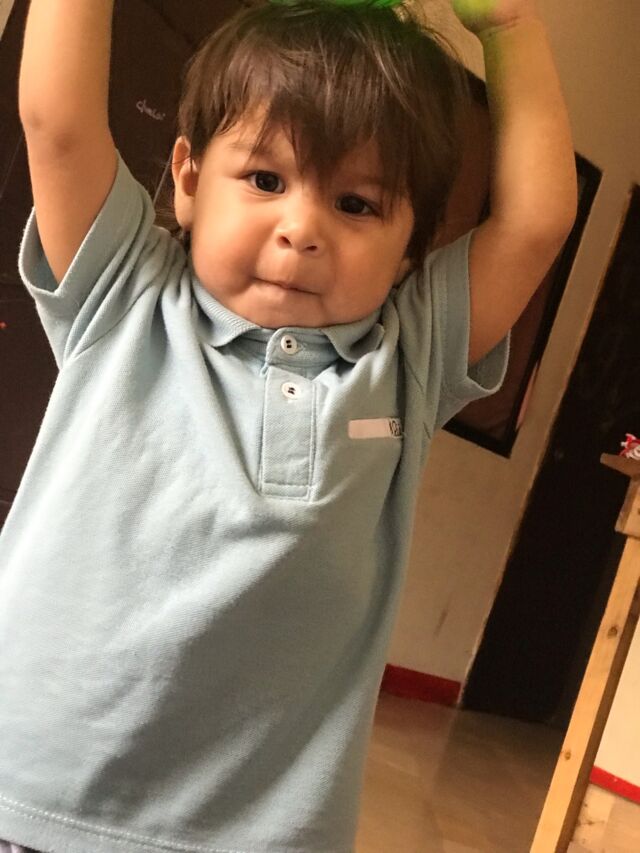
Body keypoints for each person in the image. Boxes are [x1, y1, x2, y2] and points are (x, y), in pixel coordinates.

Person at [0, 0, 577, 850]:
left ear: (411, 249)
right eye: (265, 180)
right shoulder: (123, 294)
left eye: (356, 203)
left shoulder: (406, 357)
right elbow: (57, 120)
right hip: (34, 792)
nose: (302, 229)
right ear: (188, 179)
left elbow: (534, 223)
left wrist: (512, 29)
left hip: (259, 834)